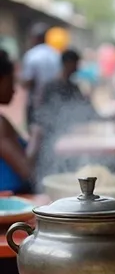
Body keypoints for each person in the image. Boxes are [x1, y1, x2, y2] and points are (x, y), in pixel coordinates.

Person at [35, 49, 99, 184]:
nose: (77, 67)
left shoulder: (73, 87)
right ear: (67, 63)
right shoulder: (50, 86)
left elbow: (89, 112)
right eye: (75, 64)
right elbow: (40, 116)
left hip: (72, 142)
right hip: (52, 142)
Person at [0, 49, 39, 193]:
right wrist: (36, 138)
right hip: (13, 203)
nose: (14, 90)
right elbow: (27, 172)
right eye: (12, 81)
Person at [21, 23, 61, 128]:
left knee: (36, 131)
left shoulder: (31, 55)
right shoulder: (56, 54)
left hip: (36, 102)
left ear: (35, 38)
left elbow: (28, 81)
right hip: (54, 101)